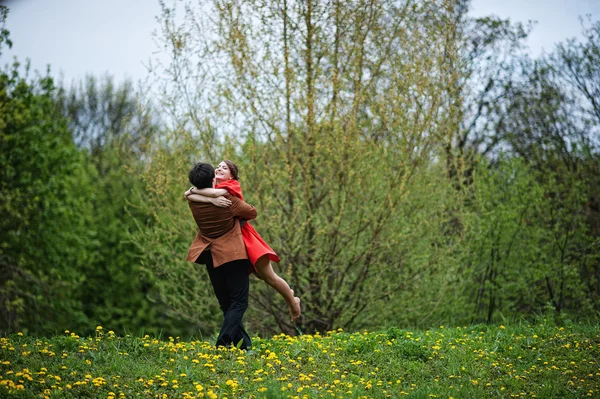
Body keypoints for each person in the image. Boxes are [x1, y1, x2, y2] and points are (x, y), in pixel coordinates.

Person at [185, 160, 301, 322]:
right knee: (261, 276)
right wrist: (209, 199)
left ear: (232, 175)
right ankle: (291, 298)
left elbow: (246, 209)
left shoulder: (231, 187)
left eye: (224, 168)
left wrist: (206, 196)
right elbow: (190, 194)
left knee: (269, 276)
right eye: (218, 166)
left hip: (244, 236)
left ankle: (293, 302)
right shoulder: (213, 189)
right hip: (231, 240)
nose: (219, 169)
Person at [185, 162, 257, 350]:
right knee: (239, 302)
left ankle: (245, 347)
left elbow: (189, 193)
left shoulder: (193, 200)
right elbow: (252, 212)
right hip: (231, 255)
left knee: (227, 304)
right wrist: (217, 197)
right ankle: (223, 343)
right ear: (212, 180)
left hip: (209, 255)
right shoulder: (229, 201)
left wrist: (209, 198)